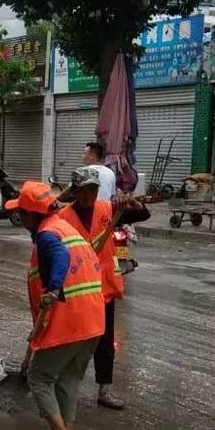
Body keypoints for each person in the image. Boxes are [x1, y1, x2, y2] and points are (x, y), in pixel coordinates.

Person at [5, 181, 106, 430]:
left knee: (39, 378)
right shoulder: (64, 227)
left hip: (70, 321)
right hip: (93, 320)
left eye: (22, 213)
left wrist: (53, 287)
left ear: (33, 215)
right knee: (68, 382)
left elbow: (60, 259)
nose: (19, 218)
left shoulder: (48, 235)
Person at [63, 166, 151, 411]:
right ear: (75, 192)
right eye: (84, 190)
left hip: (102, 287)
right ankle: (66, 385)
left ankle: (104, 389)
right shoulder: (63, 217)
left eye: (93, 189)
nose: (89, 195)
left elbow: (144, 215)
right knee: (74, 339)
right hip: (76, 289)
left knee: (105, 340)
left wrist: (130, 200)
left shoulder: (108, 209)